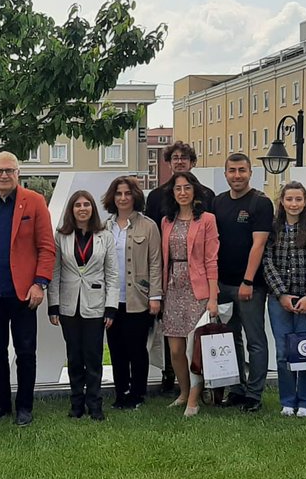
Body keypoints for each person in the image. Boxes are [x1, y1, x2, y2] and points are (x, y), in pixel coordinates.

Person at [0, 151, 56, 427]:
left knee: (26, 351)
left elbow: (47, 247)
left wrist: (40, 283)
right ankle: (0, 405)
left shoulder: (35, 201)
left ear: (18, 173)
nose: (4, 175)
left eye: (9, 170)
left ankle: (25, 407)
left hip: (24, 294)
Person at [144, 140, 214, 393]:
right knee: (171, 336)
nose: (180, 161)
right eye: (175, 157)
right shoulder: (155, 198)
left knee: (198, 339)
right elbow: (153, 241)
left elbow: (211, 248)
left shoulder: (207, 196)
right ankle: (170, 376)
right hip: (169, 276)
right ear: (169, 162)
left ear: (192, 162)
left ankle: (203, 387)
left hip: (198, 279)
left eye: (184, 157)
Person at [211, 153, 273, 412]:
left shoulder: (261, 203)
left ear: (251, 173)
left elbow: (258, 245)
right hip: (223, 285)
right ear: (225, 174)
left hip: (250, 285)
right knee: (230, 338)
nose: (237, 175)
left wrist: (247, 280)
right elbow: (212, 245)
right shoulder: (217, 202)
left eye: (242, 170)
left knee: (255, 341)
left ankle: (254, 394)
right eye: (232, 171)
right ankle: (236, 388)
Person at [48, 190, 117, 421]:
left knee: (93, 356)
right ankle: (76, 403)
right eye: (77, 205)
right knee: (74, 357)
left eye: (87, 204)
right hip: (69, 305)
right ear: (71, 209)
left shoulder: (104, 236)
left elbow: (112, 274)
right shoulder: (62, 236)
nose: (82, 208)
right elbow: (55, 271)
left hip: (96, 305)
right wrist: (53, 305)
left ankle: (95, 405)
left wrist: (111, 308)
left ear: (92, 209)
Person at [263, 181, 306, 417]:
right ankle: (287, 400)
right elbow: (267, 262)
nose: (294, 204)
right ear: (282, 201)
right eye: (289, 199)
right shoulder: (272, 230)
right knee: (283, 353)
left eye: (298, 199)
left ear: (305, 201)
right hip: (279, 301)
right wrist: (281, 293)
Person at [160, 172, 219, 418]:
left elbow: (211, 259)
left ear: (194, 190)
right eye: (177, 188)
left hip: (198, 290)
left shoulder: (207, 220)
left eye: (186, 187)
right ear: (173, 193)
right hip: (173, 288)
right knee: (175, 349)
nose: (182, 192)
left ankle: (194, 399)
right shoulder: (166, 221)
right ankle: (183, 392)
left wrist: (213, 297)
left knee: (194, 348)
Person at [102, 177, 162, 410]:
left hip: (138, 298)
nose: (123, 198)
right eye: (118, 193)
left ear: (135, 196)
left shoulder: (148, 226)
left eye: (127, 193)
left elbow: (155, 263)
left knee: (136, 349)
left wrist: (155, 296)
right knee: (116, 350)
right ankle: (121, 392)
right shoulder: (105, 227)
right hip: (111, 300)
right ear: (112, 197)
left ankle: (137, 394)